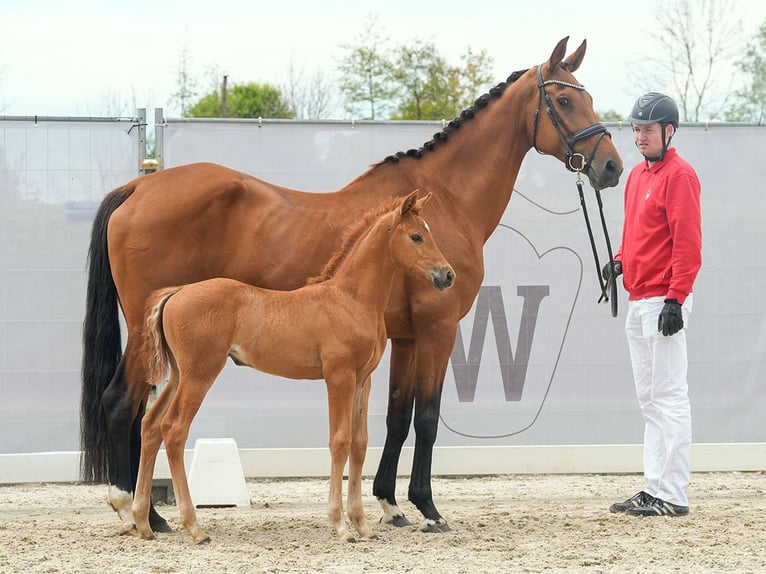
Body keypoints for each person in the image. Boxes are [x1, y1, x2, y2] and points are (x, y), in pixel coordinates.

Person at [604, 92, 702, 517]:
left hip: (664, 300)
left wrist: (676, 298)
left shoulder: (680, 175)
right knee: (649, 399)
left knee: (669, 395)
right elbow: (635, 235)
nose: (639, 136)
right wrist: (619, 262)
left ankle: (673, 493)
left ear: (668, 130)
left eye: (647, 129)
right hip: (638, 298)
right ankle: (654, 486)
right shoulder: (637, 177)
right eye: (636, 129)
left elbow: (688, 243)